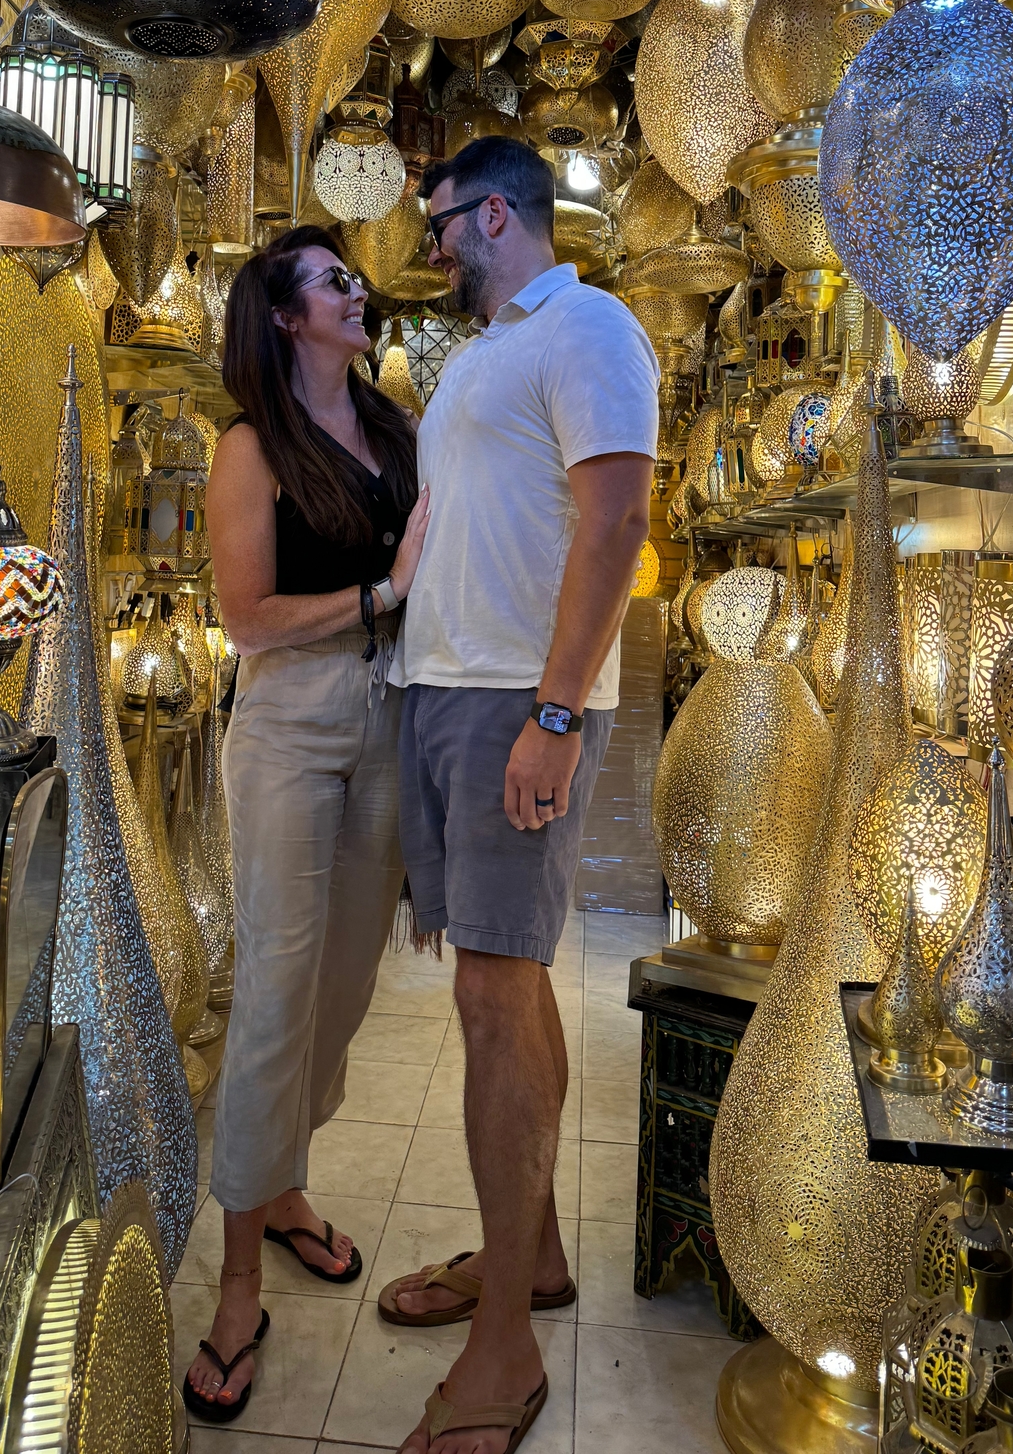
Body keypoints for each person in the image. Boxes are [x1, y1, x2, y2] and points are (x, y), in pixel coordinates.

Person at [375, 139, 658, 1454]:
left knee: (495, 996)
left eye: (439, 226)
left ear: (496, 215)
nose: (431, 250)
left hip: (512, 701)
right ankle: (526, 1257)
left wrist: (554, 712)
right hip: (445, 691)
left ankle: (505, 1349)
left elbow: (617, 524)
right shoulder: (485, 354)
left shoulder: (587, 326)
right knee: (502, 983)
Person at [187, 225, 431, 1423]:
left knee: (343, 988)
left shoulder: (394, 429)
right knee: (278, 991)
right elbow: (247, 619)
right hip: (290, 718)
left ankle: (284, 1183)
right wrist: (383, 592)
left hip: (388, 711)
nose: (357, 290)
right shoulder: (252, 446)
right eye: (334, 281)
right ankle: (237, 1282)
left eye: (354, 277)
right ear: (285, 316)